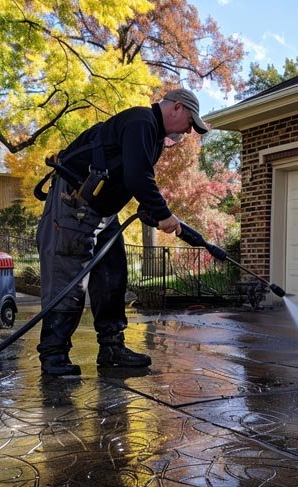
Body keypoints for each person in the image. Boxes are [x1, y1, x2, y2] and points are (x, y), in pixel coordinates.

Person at [35, 88, 209, 376]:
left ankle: (112, 348)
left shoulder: (152, 137)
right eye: (190, 123)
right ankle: (54, 355)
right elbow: (138, 177)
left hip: (102, 211)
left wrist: (154, 212)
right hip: (73, 204)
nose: (190, 131)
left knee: (112, 275)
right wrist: (164, 214)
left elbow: (132, 177)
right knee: (68, 280)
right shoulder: (142, 121)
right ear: (176, 107)